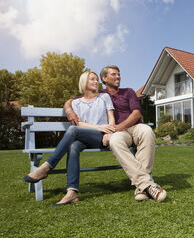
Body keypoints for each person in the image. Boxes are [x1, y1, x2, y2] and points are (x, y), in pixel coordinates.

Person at [64, 65, 167, 202]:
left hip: (133, 127)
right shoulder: (99, 94)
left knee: (147, 131)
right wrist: (68, 110)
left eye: (119, 74)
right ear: (104, 78)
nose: (118, 77)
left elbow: (136, 113)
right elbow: (73, 100)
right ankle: (147, 185)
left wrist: (117, 128)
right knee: (115, 141)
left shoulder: (128, 92)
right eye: (114, 74)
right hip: (116, 133)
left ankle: (142, 187)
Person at [23, 71, 116, 206]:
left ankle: (47, 167)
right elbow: (79, 124)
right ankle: (72, 192)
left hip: (100, 137)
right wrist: (98, 127)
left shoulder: (104, 97)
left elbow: (111, 117)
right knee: (73, 146)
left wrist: (108, 131)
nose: (96, 82)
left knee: (72, 130)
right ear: (84, 82)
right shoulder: (76, 103)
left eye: (97, 79)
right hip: (85, 136)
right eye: (92, 79)